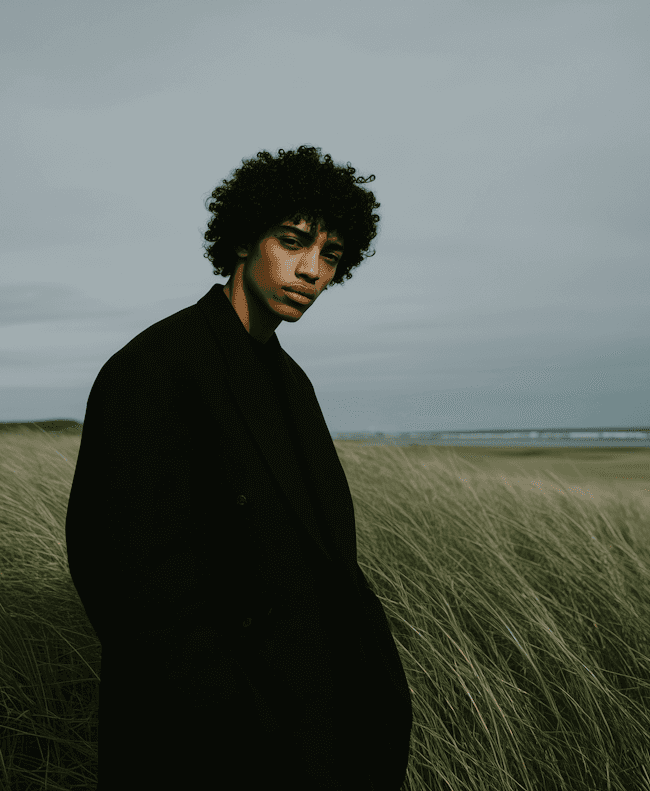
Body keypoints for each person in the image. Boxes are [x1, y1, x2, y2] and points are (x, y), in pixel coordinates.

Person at [65, 145, 412, 790]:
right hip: (204, 744)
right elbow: (127, 579)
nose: (311, 270)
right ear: (243, 241)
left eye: (331, 255)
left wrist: (375, 696)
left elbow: (331, 562)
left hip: (315, 731)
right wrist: (240, 732)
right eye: (293, 241)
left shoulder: (291, 383)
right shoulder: (153, 369)